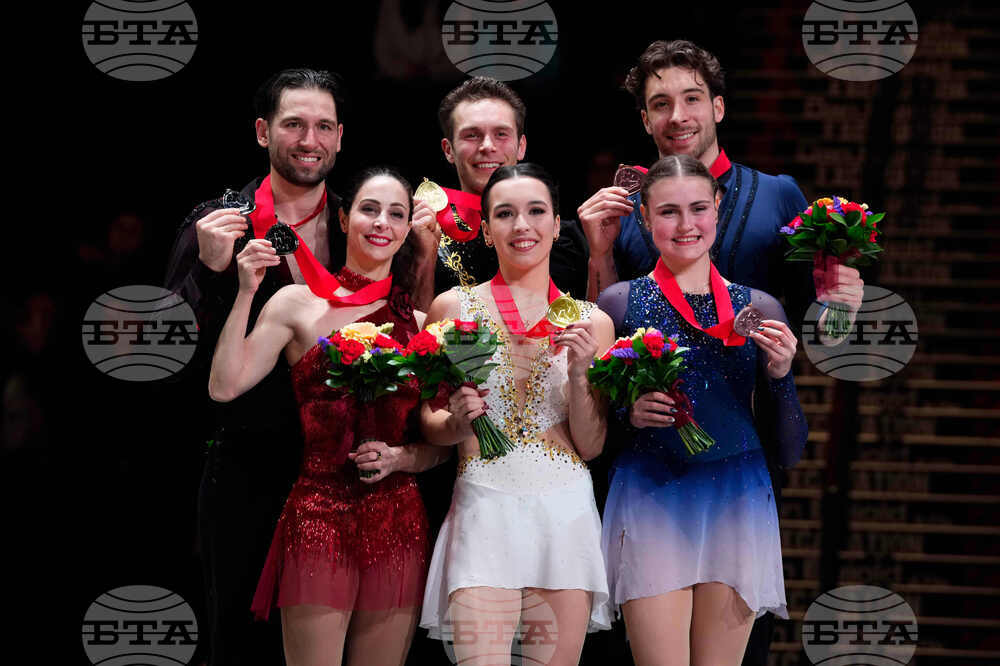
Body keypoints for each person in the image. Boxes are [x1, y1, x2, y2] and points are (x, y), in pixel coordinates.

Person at [577, 41, 861, 664]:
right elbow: (601, 334)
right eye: (660, 104)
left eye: (692, 98)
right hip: (648, 461)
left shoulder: (778, 195)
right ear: (644, 120)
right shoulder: (624, 211)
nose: (678, 115)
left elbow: (826, 332)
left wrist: (842, 302)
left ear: (719, 107)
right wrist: (598, 252)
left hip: (743, 450)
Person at [163, 68, 438, 665]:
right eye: (293, 124)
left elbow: (413, 330)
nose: (309, 140)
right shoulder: (219, 223)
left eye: (323, 126)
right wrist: (213, 274)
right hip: (250, 467)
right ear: (263, 132)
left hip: (362, 474)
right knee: (241, 643)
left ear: (339, 136)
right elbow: (177, 360)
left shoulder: (363, 217)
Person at [209, 167, 448, 666]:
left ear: (407, 229)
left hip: (398, 521)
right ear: (343, 218)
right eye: (369, 209)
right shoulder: (298, 303)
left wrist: (402, 458)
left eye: (396, 214)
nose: (381, 223)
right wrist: (246, 291)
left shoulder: (423, 325)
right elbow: (224, 386)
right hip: (319, 516)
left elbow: (440, 448)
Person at [597, 155, 807, 665]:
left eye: (697, 208)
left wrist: (780, 376)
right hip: (651, 494)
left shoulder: (759, 308)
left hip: (737, 498)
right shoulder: (618, 304)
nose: (685, 224)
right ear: (644, 217)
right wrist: (629, 415)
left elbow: (790, 450)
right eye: (668, 212)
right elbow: (591, 432)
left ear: (718, 207)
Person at [418, 163, 614, 665]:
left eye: (536, 211)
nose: (521, 225)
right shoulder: (451, 308)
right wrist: (457, 422)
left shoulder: (591, 321)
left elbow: (591, 446)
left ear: (557, 224)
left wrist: (579, 373)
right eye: (505, 214)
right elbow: (429, 424)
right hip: (483, 506)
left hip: (564, 512)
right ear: (486, 230)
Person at [411, 76, 589, 310]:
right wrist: (424, 257)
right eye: (471, 135)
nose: (487, 146)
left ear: (521, 146)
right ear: (448, 150)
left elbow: (591, 319)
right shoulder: (423, 233)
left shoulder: (564, 238)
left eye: (501, 134)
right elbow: (417, 331)